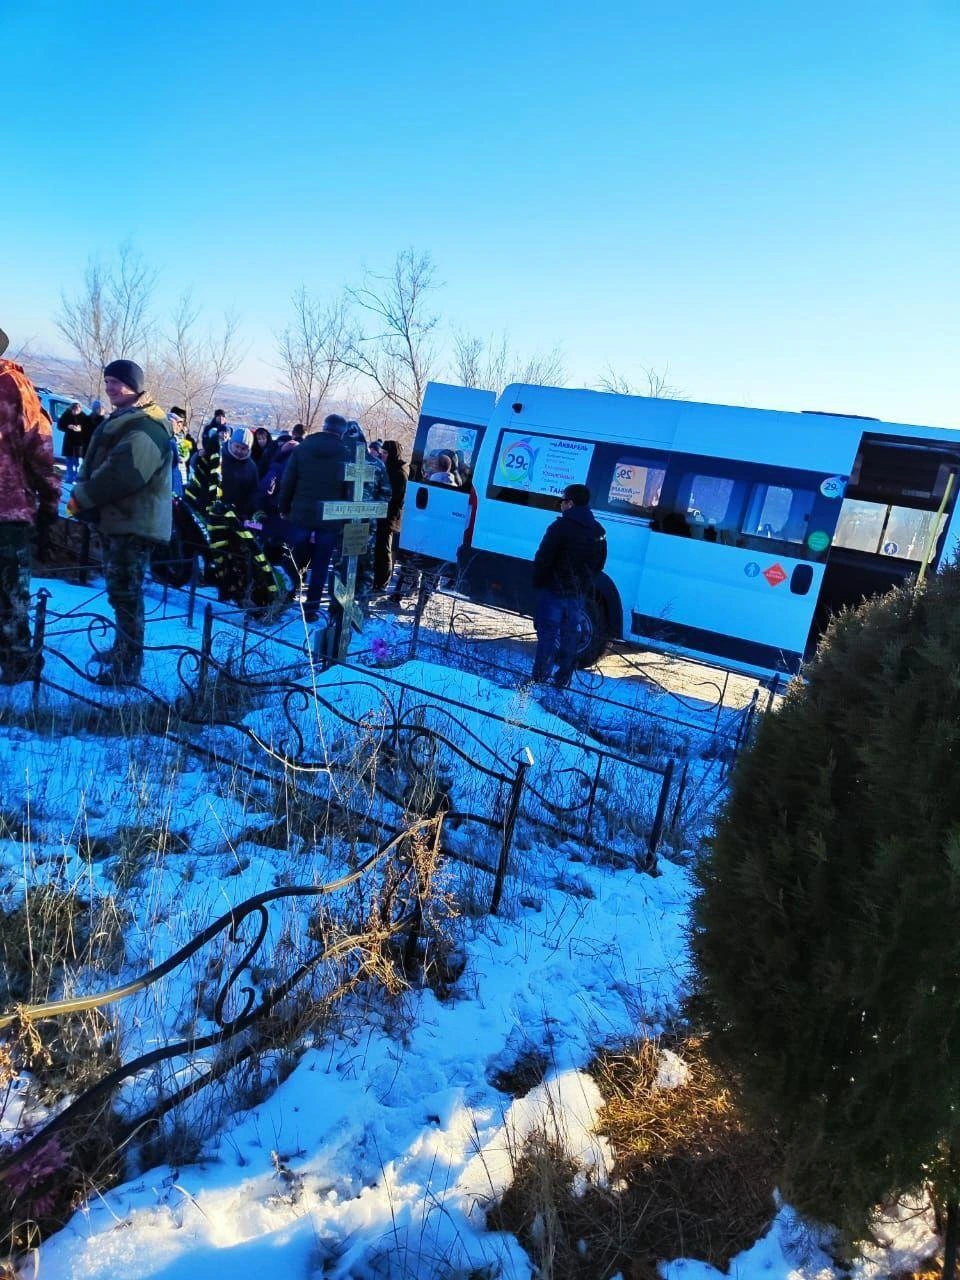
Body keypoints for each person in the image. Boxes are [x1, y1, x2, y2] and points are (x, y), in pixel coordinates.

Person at [68, 359, 173, 685]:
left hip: (134, 522)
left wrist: (82, 497)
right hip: (125, 519)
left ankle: (127, 666)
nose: (111, 387)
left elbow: (123, 474)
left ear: (135, 386)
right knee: (122, 592)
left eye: (118, 382)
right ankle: (121, 651)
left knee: (126, 593)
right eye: (108, 381)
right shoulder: (129, 418)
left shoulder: (145, 427)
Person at [0, 326, 60, 683]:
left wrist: (50, 500)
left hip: (6, 510)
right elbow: (40, 448)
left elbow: (38, 445)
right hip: (10, 509)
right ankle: (18, 666)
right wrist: (49, 499)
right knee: (10, 598)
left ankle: (18, 672)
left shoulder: (11, 387)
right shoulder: (13, 385)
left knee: (9, 597)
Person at [277, 413, 353, 621]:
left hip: (301, 513)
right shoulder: (346, 454)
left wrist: (284, 507)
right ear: (342, 432)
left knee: (292, 559)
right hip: (330, 518)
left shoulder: (303, 448)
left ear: (324, 426)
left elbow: (288, 481)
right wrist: (344, 520)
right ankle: (310, 610)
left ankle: (284, 597)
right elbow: (349, 490)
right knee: (320, 565)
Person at [530, 483, 607, 689]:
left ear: (570, 503)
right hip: (577, 593)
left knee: (547, 635)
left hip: (554, 591)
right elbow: (599, 563)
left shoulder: (559, 527)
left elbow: (544, 558)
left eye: (563, 501)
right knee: (570, 635)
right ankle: (563, 679)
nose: (561, 505)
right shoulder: (598, 531)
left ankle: (539, 678)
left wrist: (539, 581)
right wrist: (584, 583)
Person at [374, 439, 407, 591]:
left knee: (384, 551)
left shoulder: (399, 473)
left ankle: (382, 583)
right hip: (378, 515)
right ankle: (376, 579)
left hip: (389, 518)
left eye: (386, 453)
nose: (383, 455)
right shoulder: (385, 468)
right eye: (382, 453)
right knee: (378, 550)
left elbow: (395, 498)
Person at [220, 427, 259, 520]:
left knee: (258, 528)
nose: (239, 451)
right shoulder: (219, 456)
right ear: (231, 443)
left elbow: (253, 491)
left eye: (243, 448)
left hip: (238, 513)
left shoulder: (251, 467)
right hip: (214, 509)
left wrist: (246, 511)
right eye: (237, 446)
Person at [57, 401, 87, 483]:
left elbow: (89, 428)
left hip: (79, 442)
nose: (75, 412)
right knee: (69, 461)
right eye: (74, 410)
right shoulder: (66, 415)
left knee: (78, 462)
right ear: (71, 409)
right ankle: (69, 478)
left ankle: (77, 478)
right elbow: (59, 426)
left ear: (80, 409)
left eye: (77, 410)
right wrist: (68, 426)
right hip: (69, 441)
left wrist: (81, 429)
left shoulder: (84, 417)